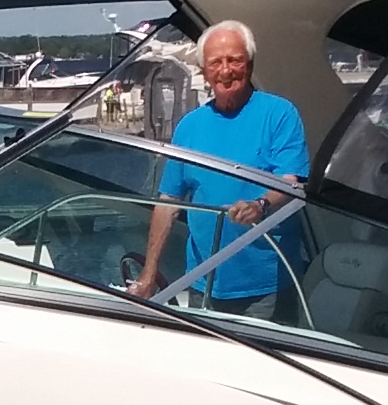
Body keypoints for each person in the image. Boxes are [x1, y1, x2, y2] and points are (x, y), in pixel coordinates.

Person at [131, 20, 309, 318]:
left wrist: (260, 205)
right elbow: (168, 202)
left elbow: (291, 182)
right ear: (204, 71)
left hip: (267, 285)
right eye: (216, 63)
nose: (225, 71)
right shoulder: (190, 126)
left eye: (234, 60)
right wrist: (148, 275)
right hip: (202, 281)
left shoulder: (280, 114)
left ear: (250, 64)